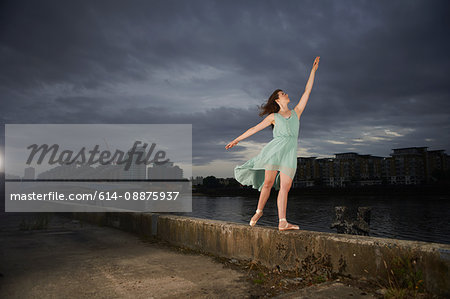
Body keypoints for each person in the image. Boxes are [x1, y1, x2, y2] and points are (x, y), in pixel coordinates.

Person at [225, 56, 320, 231]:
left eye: (285, 93)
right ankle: (259, 211)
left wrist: (312, 71)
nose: (286, 94)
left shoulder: (297, 112)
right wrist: (236, 140)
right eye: (283, 94)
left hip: (290, 154)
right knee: (268, 183)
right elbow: (254, 129)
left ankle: (282, 221)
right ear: (277, 100)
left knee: (285, 187)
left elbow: (307, 91)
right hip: (275, 150)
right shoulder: (273, 117)